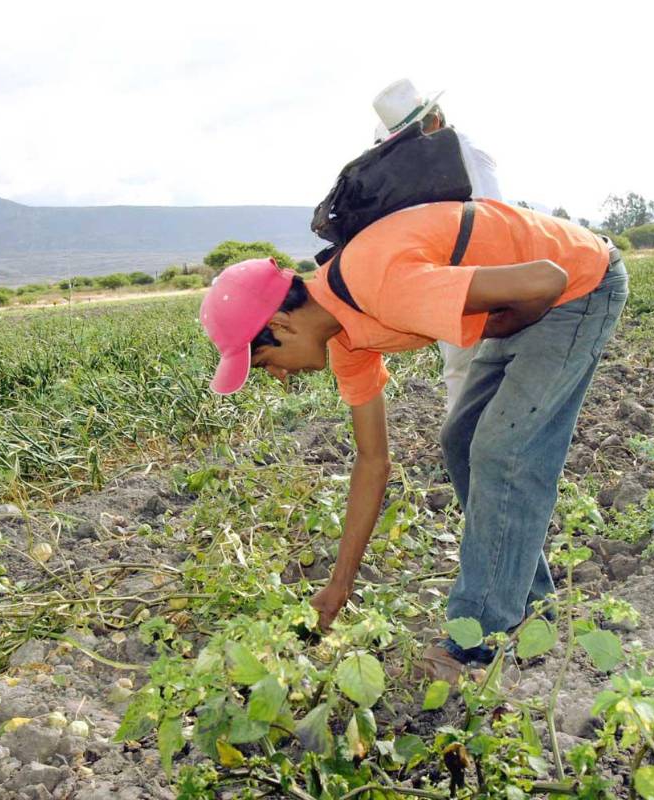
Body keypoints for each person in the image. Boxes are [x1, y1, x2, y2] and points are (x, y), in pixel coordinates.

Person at [199, 199, 628, 681]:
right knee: (462, 440)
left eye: (265, 363)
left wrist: (500, 326)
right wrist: (339, 587)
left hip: (579, 283)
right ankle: (531, 608)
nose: (278, 377)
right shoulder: (347, 339)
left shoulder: (376, 284)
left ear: (279, 326)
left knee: (503, 452)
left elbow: (546, 279)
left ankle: (475, 642)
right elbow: (372, 461)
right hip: (530, 297)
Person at [371, 79, 502, 414]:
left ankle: (474, 447)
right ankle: (464, 450)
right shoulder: (424, 163)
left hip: (484, 275)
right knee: (460, 370)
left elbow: (491, 220)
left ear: (435, 121)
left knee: (480, 366)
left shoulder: (466, 152)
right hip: (451, 280)